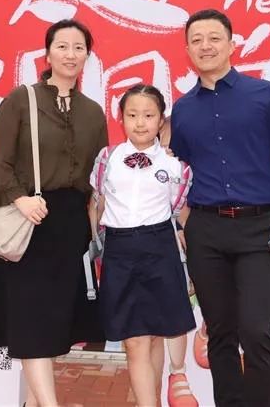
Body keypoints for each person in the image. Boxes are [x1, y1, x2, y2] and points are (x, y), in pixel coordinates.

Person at [168, 8, 270, 407]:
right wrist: (185, 222)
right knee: (221, 332)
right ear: (188, 50)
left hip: (260, 227)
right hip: (206, 231)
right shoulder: (184, 109)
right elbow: (180, 169)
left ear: (231, 44)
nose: (205, 46)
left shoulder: (264, 94)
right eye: (196, 40)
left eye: (214, 38)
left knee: (257, 331)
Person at [0, 19, 109, 407]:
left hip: (70, 227)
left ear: (87, 56)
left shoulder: (93, 113)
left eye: (79, 48)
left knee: (53, 324)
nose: (70, 54)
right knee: (31, 321)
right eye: (62, 46)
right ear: (48, 53)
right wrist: (20, 198)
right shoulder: (21, 100)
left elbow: (97, 177)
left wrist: (94, 229)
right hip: (28, 220)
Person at [90, 84, 196, 407]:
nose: (140, 123)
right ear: (121, 118)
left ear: (161, 120)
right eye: (132, 115)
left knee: (154, 336)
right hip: (119, 252)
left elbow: (180, 213)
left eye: (148, 116)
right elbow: (96, 206)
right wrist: (95, 248)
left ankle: (153, 400)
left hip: (160, 249)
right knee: (135, 342)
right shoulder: (107, 159)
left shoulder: (176, 167)